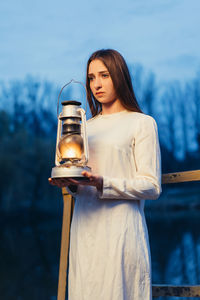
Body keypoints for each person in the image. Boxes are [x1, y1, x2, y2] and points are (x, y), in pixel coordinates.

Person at [49, 49, 162, 300]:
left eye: (104, 75)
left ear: (119, 77)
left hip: (121, 230)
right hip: (85, 230)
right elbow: (81, 184)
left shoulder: (141, 123)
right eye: (91, 78)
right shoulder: (84, 126)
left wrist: (104, 183)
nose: (96, 84)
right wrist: (72, 184)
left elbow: (151, 186)